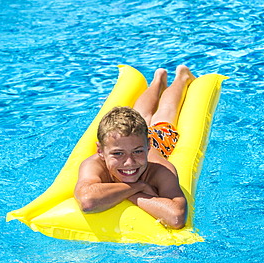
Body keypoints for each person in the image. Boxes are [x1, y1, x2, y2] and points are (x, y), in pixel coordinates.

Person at [74, 65, 196, 229]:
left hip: (160, 139)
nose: (129, 162)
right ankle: (158, 81)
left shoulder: (160, 169)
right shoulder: (93, 164)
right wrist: (138, 187)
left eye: (138, 152)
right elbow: (88, 202)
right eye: (118, 154)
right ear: (100, 151)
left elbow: (176, 217)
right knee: (141, 115)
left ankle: (182, 77)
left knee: (164, 115)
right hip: (134, 138)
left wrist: (123, 193)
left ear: (147, 147)